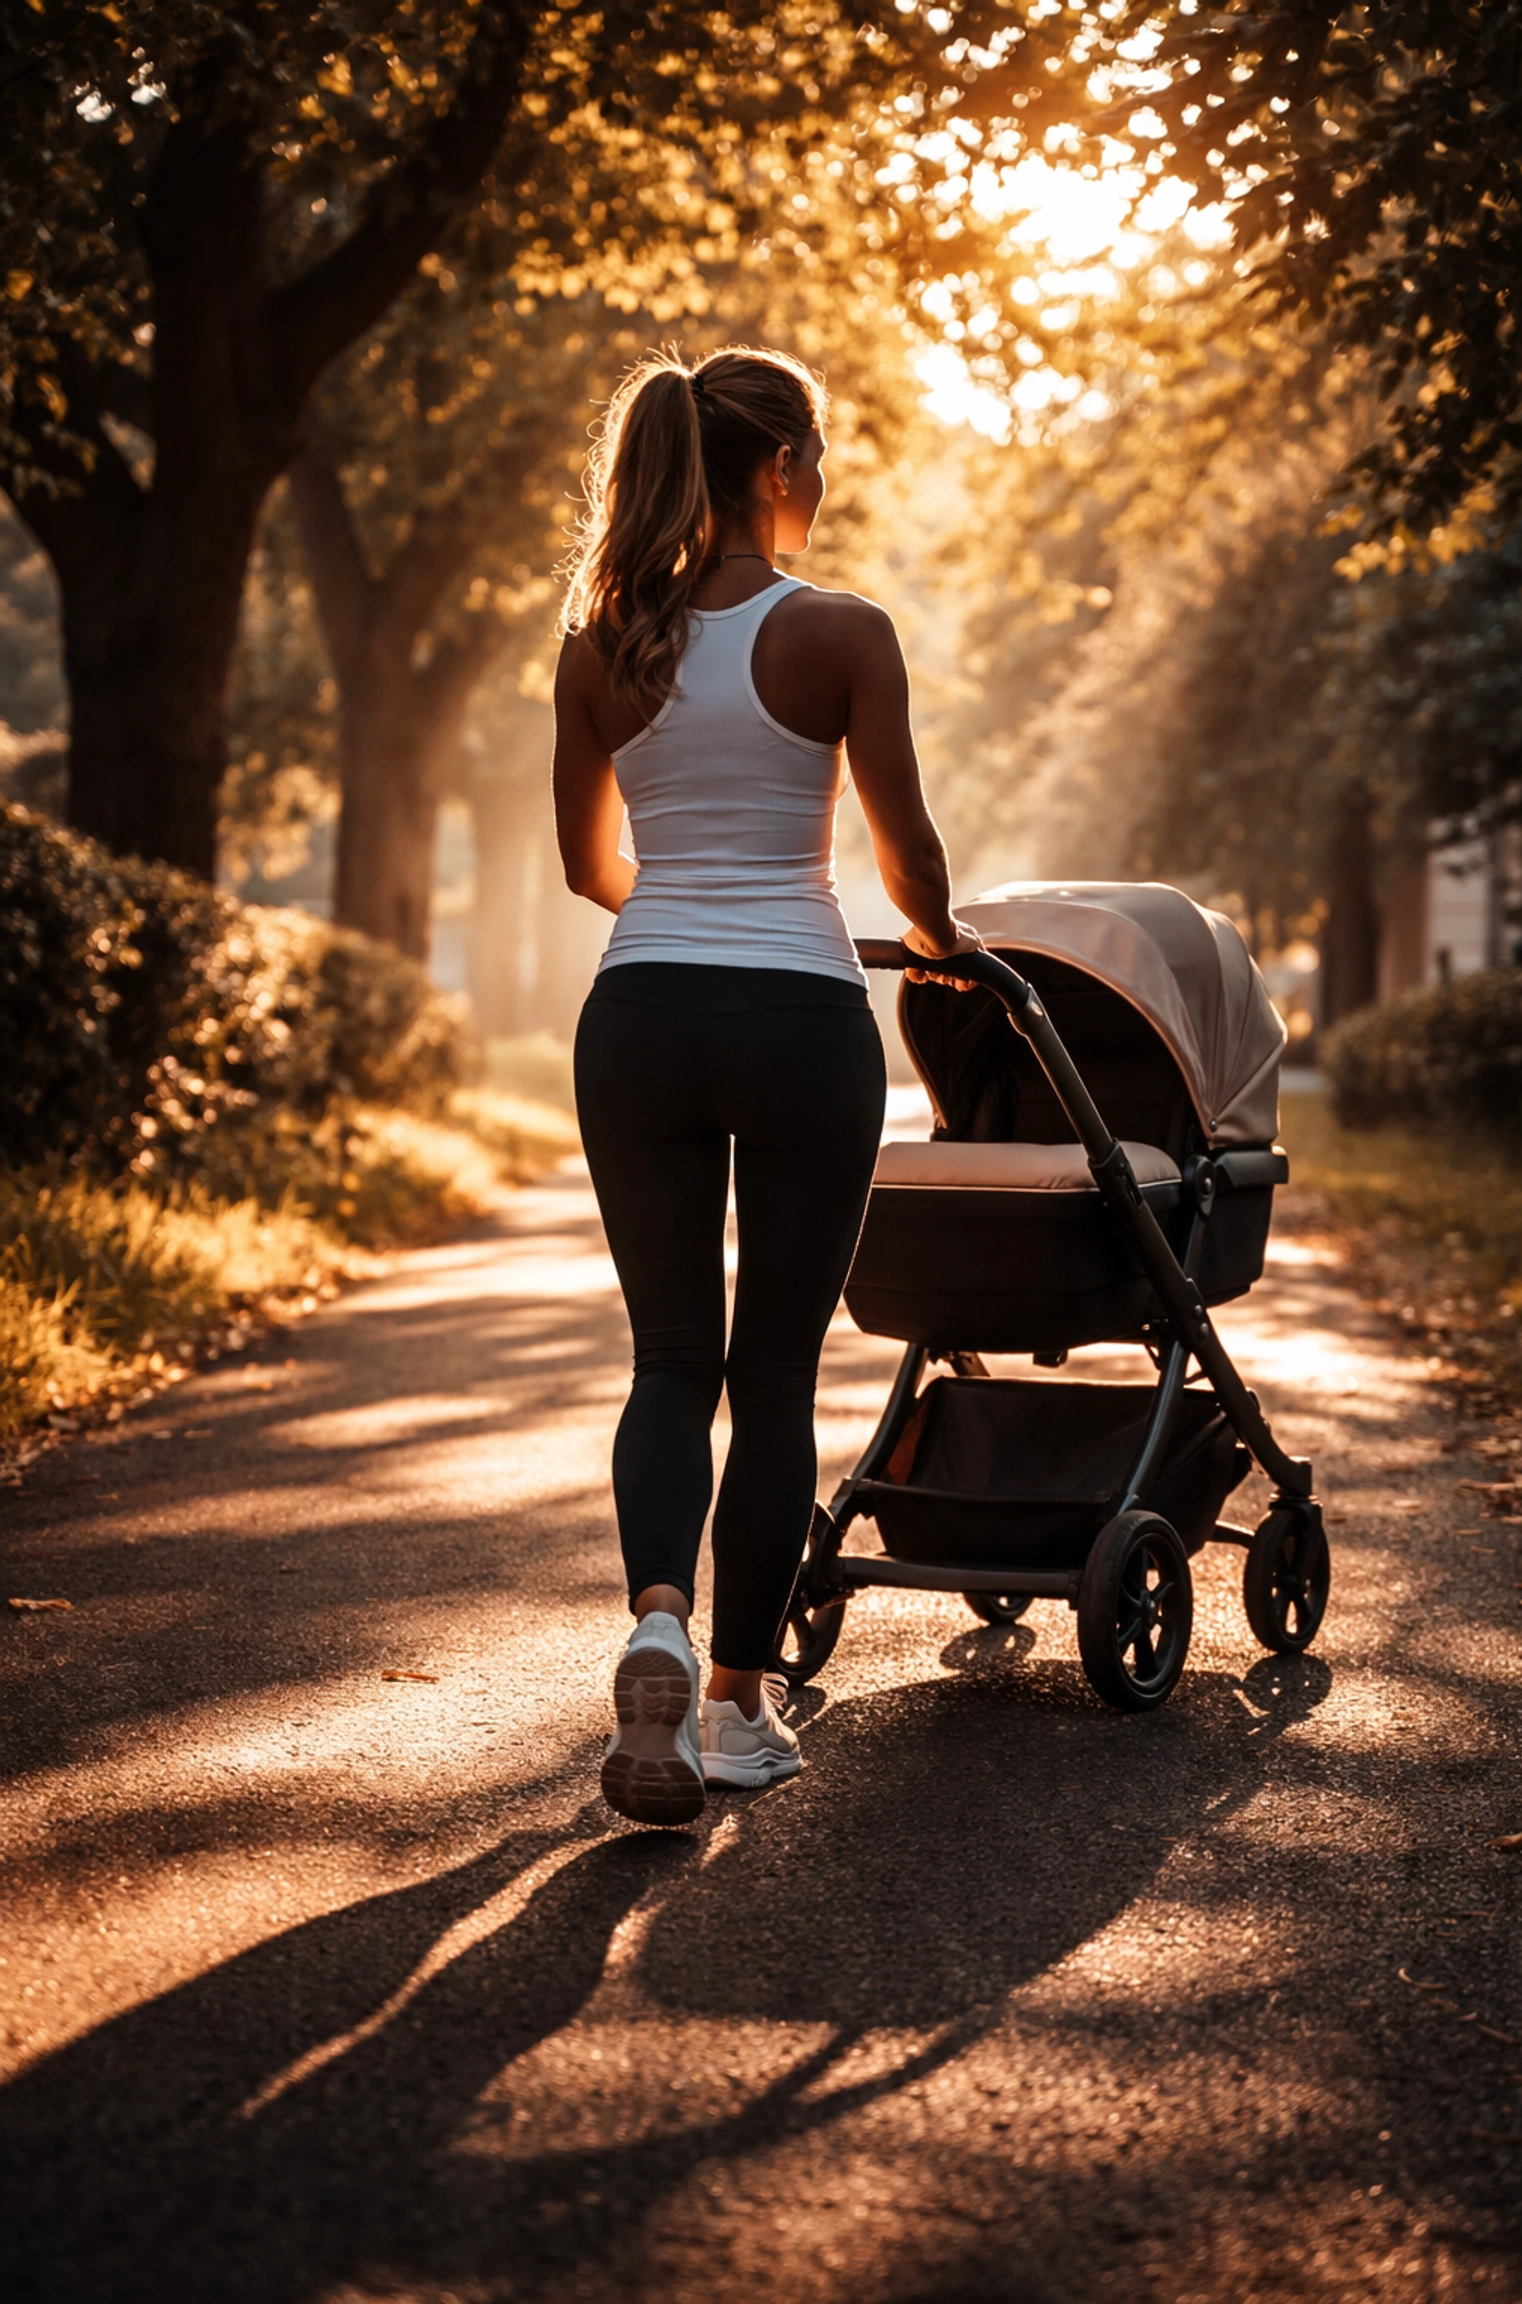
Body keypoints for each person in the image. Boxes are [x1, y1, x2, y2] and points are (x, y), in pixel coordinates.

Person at [553, 345, 980, 1826]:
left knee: (671, 1356)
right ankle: (735, 1706)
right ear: (785, 467)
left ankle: (658, 1619)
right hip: (804, 1011)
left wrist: (680, 922)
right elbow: (909, 861)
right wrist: (943, 947)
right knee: (776, 1368)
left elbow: (585, 867)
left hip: (642, 1013)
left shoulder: (603, 636)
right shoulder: (843, 631)